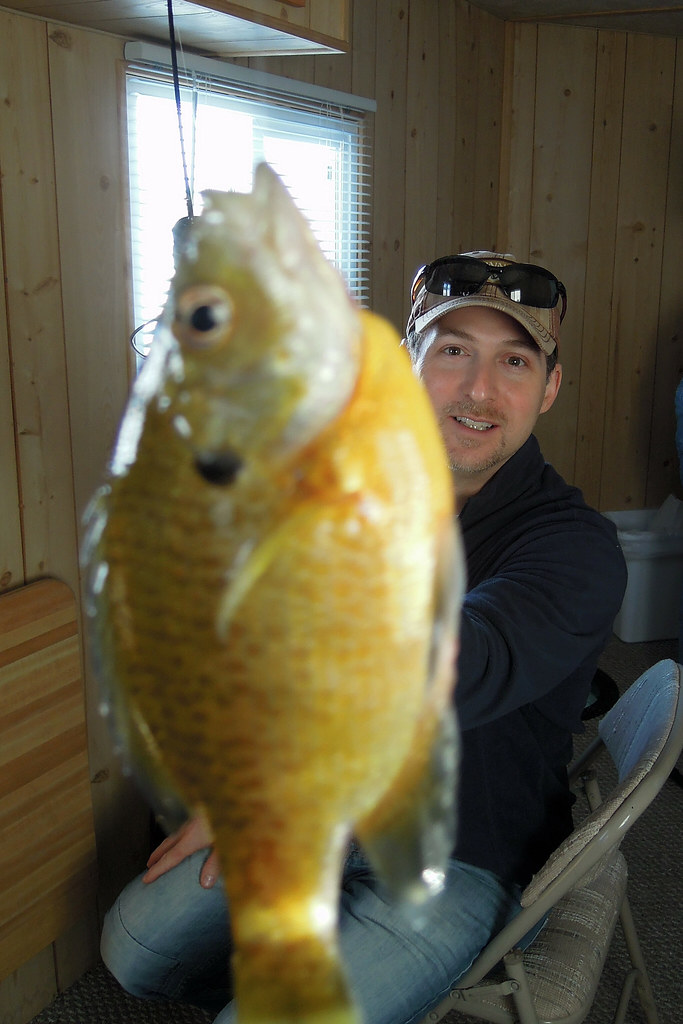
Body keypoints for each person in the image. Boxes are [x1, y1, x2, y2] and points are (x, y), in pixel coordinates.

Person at [101, 250, 627, 1024]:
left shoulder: (574, 545)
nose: (479, 390)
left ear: (547, 387)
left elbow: (457, 664)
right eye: (452, 352)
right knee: (133, 951)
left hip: (462, 853)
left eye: (513, 360)